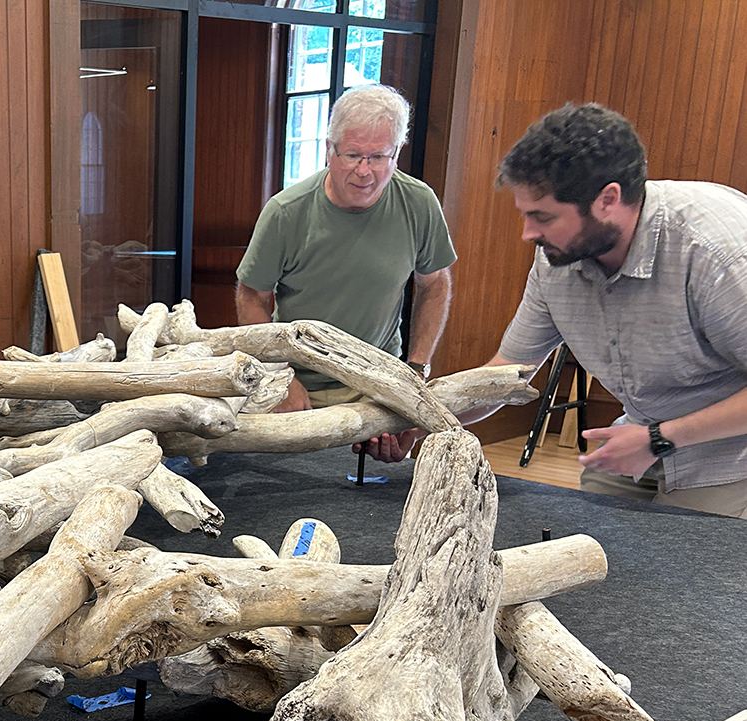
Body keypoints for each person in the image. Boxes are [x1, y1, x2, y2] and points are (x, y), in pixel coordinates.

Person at [486, 103, 747, 518]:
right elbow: (507, 372)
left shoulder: (716, 252)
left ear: (608, 199)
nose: (527, 233)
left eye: (543, 217)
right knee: (597, 527)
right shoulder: (558, 258)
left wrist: (659, 439)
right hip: (645, 430)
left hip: (731, 451)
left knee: (687, 547)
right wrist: (420, 416)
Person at [235, 83, 455, 459]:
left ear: (397, 152)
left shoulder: (418, 203)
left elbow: (435, 284)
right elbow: (251, 296)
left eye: (378, 157)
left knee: (389, 468)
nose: (364, 171)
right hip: (299, 386)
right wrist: (278, 377)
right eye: (352, 155)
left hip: (379, 383)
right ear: (329, 149)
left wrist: (416, 371)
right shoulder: (286, 212)